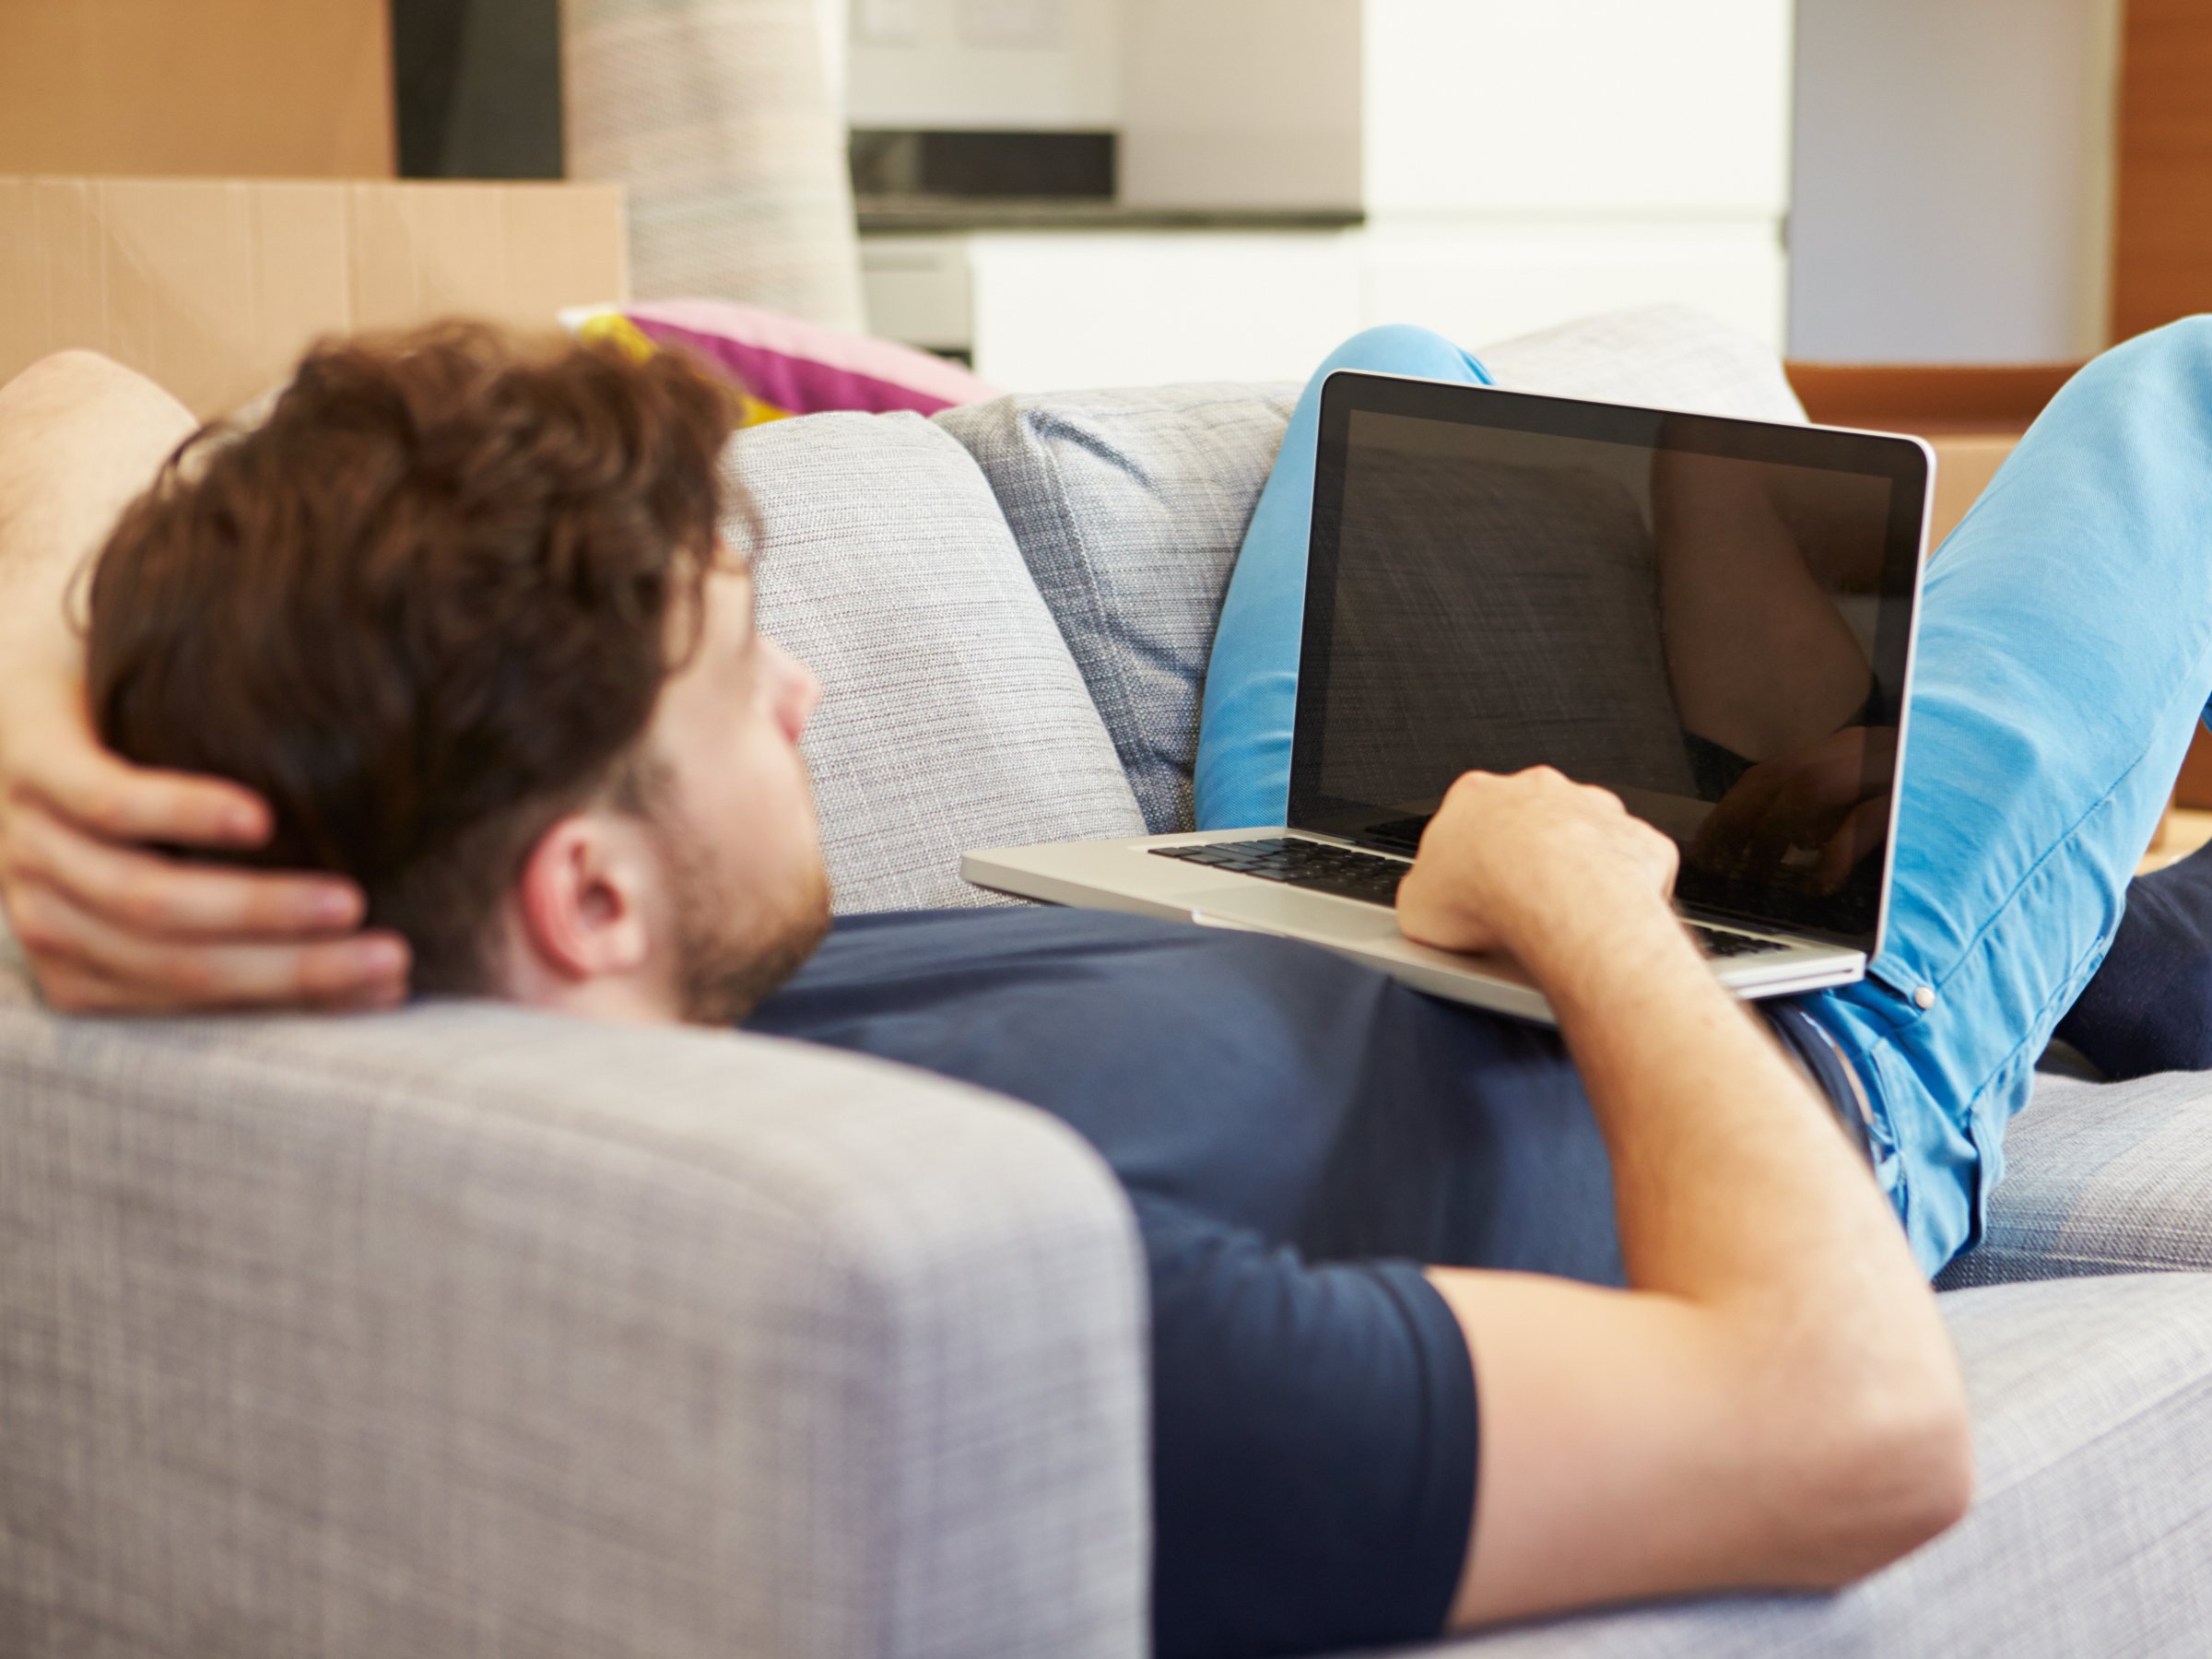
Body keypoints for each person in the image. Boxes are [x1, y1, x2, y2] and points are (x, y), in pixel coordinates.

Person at [6, 311, 2201, 1653]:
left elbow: (78, 396)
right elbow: (1851, 1429)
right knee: (2179, 398)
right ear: (584, 896)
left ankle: (2056, 898)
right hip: (1770, 1069)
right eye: (729, 678)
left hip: (1279, 904)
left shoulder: (359, 979)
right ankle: (2048, 920)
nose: (809, 686)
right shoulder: (1006, 1324)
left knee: (1397, 369)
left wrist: (49, 668)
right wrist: (1596, 907)